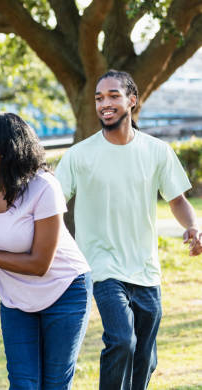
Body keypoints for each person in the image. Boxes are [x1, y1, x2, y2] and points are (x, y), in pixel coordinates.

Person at [55, 69, 202, 390]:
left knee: (146, 359)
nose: (104, 103)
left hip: (146, 269)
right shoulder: (79, 155)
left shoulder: (157, 151)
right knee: (122, 340)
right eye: (98, 98)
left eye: (112, 96)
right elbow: (51, 204)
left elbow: (176, 200)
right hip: (102, 266)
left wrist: (192, 225)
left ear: (132, 101)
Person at [0, 112, 91, 389]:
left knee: (54, 384)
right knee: (23, 383)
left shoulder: (43, 187)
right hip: (16, 299)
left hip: (64, 290)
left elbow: (39, 265)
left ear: (4, 148)